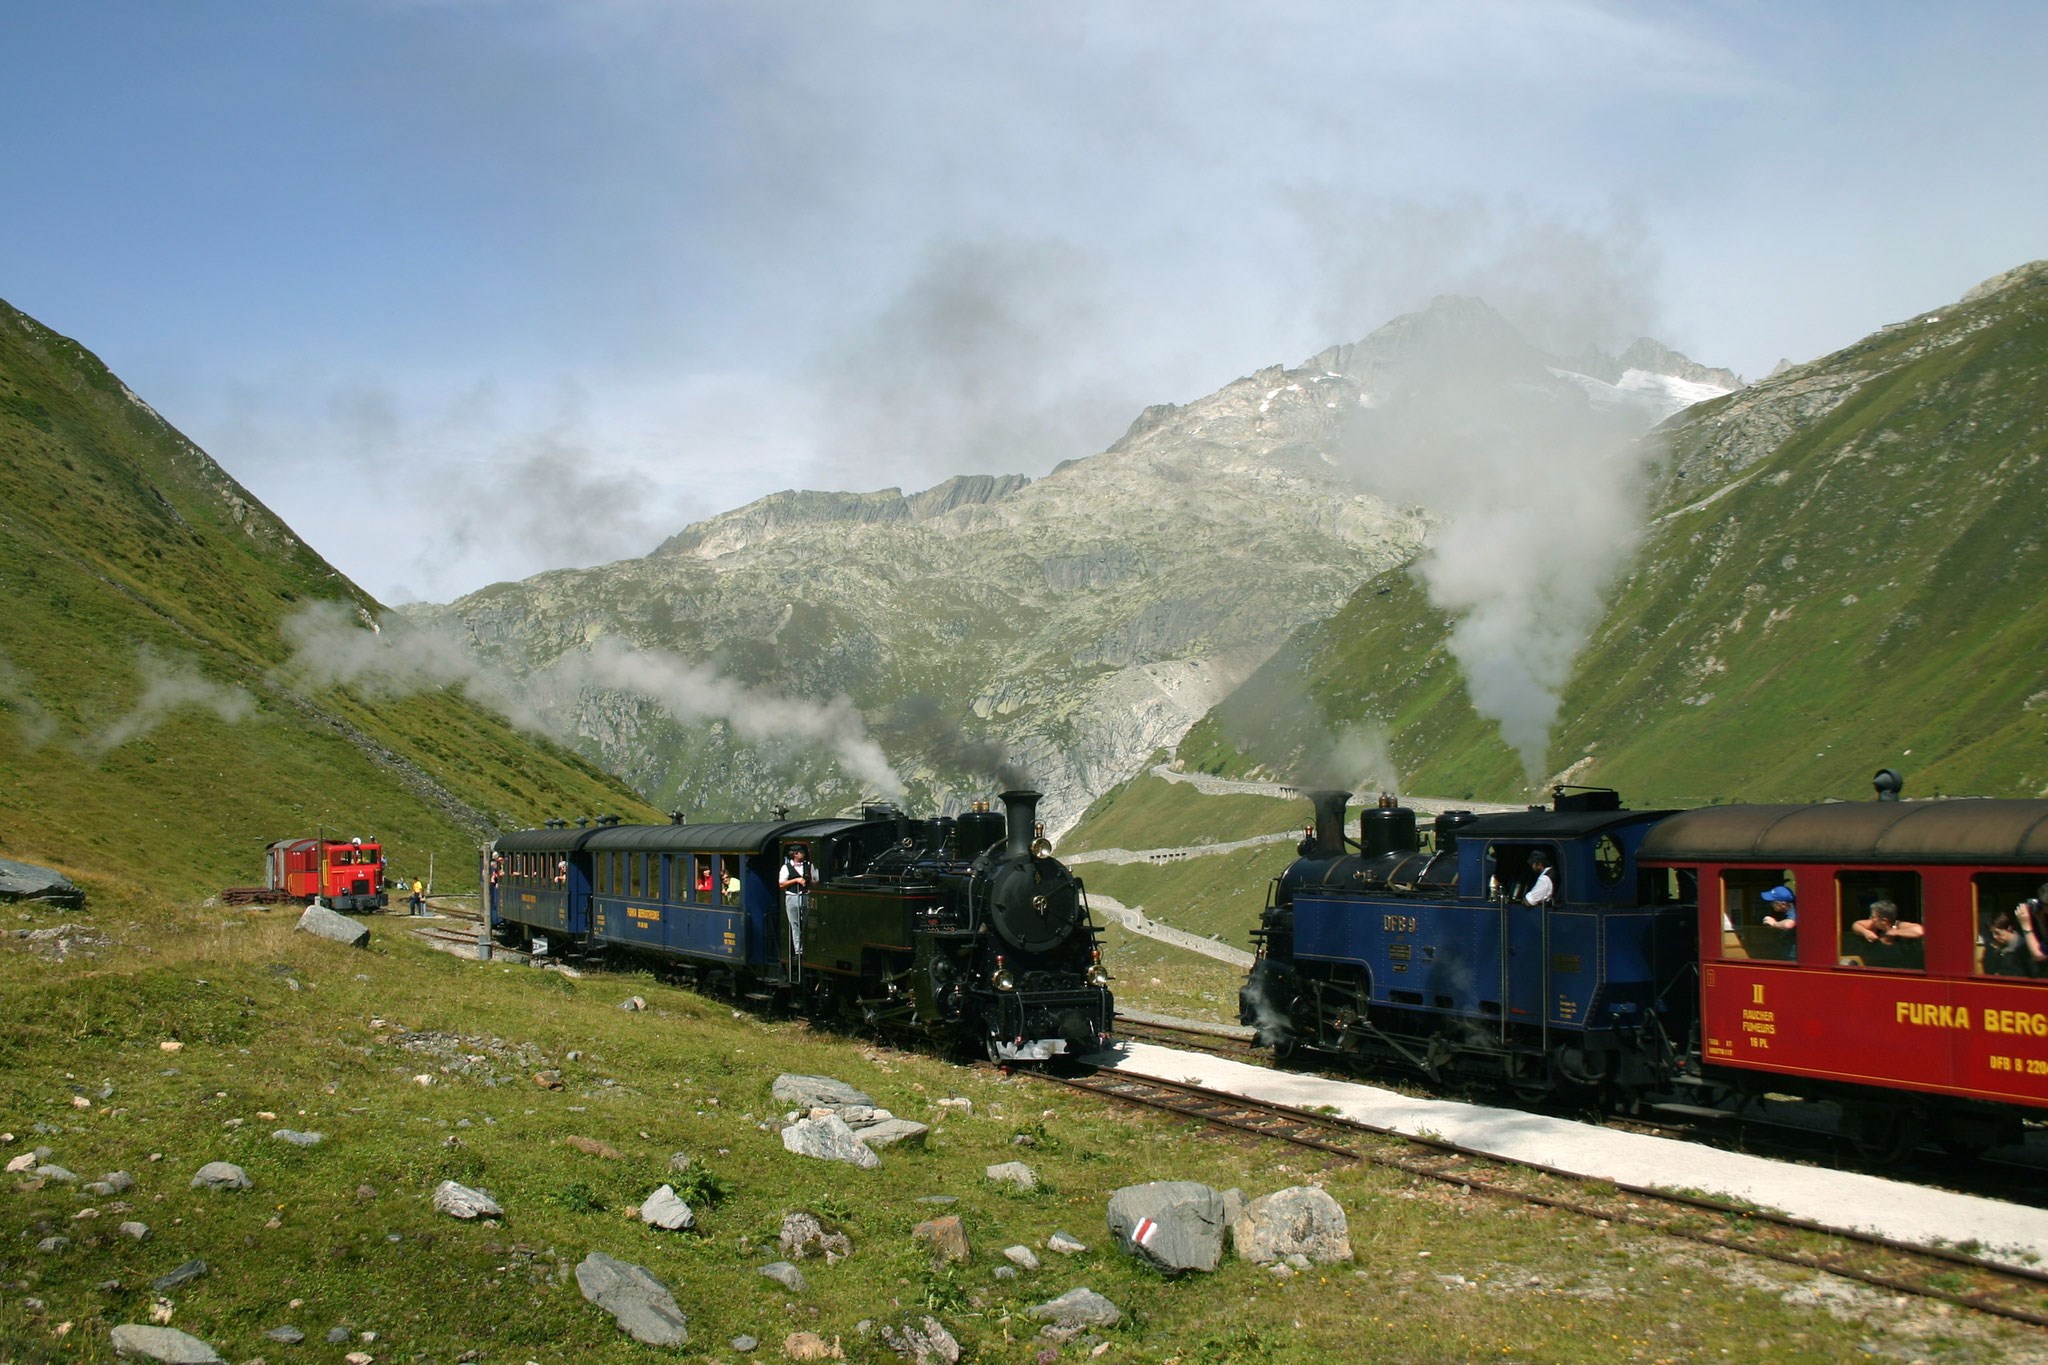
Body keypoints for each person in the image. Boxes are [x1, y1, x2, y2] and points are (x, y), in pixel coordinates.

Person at [1985, 899, 2048, 978]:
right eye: (1992, 933)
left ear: (2009, 928)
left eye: (1998, 933)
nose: (1994, 937)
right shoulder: (1995, 947)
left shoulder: (2024, 948)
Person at [779, 845, 816, 957]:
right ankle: (798, 950)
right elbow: (781, 884)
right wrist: (796, 880)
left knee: (805, 923)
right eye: (801, 852)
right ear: (795, 854)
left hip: (805, 896)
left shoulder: (808, 866)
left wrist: (811, 880)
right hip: (792, 897)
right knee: (795, 924)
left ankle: (806, 947)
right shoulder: (786, 867)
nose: (804, 854)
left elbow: (815, 879)